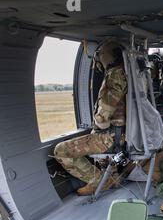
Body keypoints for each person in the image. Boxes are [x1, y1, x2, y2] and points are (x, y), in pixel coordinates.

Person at [54, 40, 128, 196]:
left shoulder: (116, 74)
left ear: (106, 56)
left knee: (61, 151)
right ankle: (112, 178)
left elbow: (107, 110)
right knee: (96, 138)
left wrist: (100, 118)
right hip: (119, 134)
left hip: (111, 136)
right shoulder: (128, 73)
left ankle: (99, 181)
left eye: (100, 56)